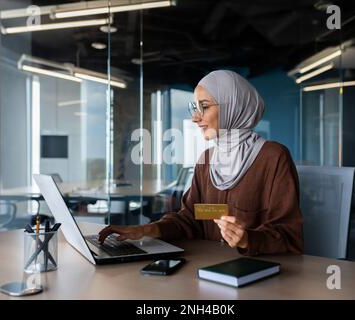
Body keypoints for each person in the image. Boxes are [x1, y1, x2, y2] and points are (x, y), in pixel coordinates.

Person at [99, 70, 303, 256]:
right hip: (208, 269)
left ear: (233, 106)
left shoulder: (273, 157)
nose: (196, 118)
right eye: (194, 108)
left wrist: (247, 239)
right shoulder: (207, 160)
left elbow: (288, 235)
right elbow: (191, 218)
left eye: (204, 107)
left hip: (257, 276)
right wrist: (146, 229)